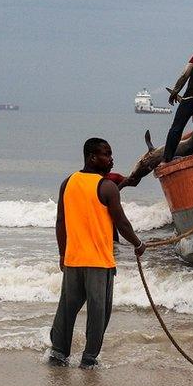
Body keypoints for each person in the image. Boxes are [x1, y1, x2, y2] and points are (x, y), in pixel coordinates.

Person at [49, 138, 146, 368]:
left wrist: (63, 254)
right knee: (98, 313)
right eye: (107, 154)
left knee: (66, 309)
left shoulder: (67, 182)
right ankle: (89, 359)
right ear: (93, 157)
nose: (111, 159)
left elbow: (60, 222)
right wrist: (138, 244)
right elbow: (121, 223)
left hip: (73, 260)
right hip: (99, 263)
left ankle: (58, 354)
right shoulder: (107, 187)